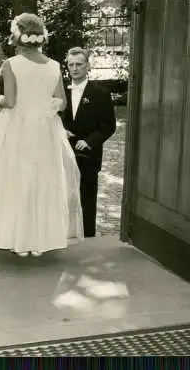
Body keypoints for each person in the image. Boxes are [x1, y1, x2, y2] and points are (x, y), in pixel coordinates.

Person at [0, 13, 83, 257]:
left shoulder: (12, 64)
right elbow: (61, 102)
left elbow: (12, 100)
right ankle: (39, 240)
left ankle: (17, 238)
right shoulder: (53, 65)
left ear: (17, 36)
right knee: (42, 179)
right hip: (44, 130)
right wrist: (43, 107)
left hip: (16, 128)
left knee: (14, 180)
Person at [62, 47, 116, 238]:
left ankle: (88, 238)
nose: (75, 68)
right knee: (63, 197)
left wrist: (89, 141)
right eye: (71, 64)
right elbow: (54, 116)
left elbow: (108, 125)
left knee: (87, 198)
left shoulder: (100, 93)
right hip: (63, 152)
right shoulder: (61, 92)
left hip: (88, 155)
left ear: (88, 66)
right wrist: (61, 130)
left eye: (79, 64)